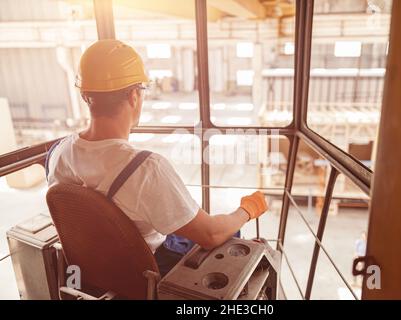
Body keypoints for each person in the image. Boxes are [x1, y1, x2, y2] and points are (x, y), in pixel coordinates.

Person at [46, 39, 268, 276]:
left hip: (97, 269)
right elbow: (210, 234)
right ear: (133, 96)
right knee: (230, 233)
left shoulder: (58, 153)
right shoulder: (145, 169)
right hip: (148, 270)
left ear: (85, 96)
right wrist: (247, 209)